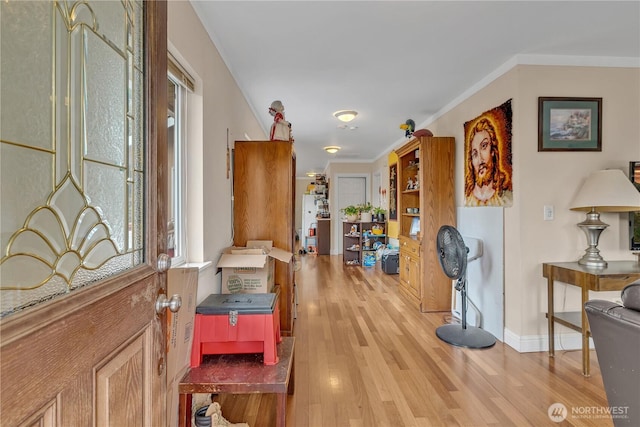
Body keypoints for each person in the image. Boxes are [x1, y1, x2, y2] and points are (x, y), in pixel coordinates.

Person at [464, 118, 512, 207]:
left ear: (493, 151)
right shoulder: (467, 199)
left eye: (484, 146)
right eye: (474, 154)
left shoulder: (506, 198)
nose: (480, 160)